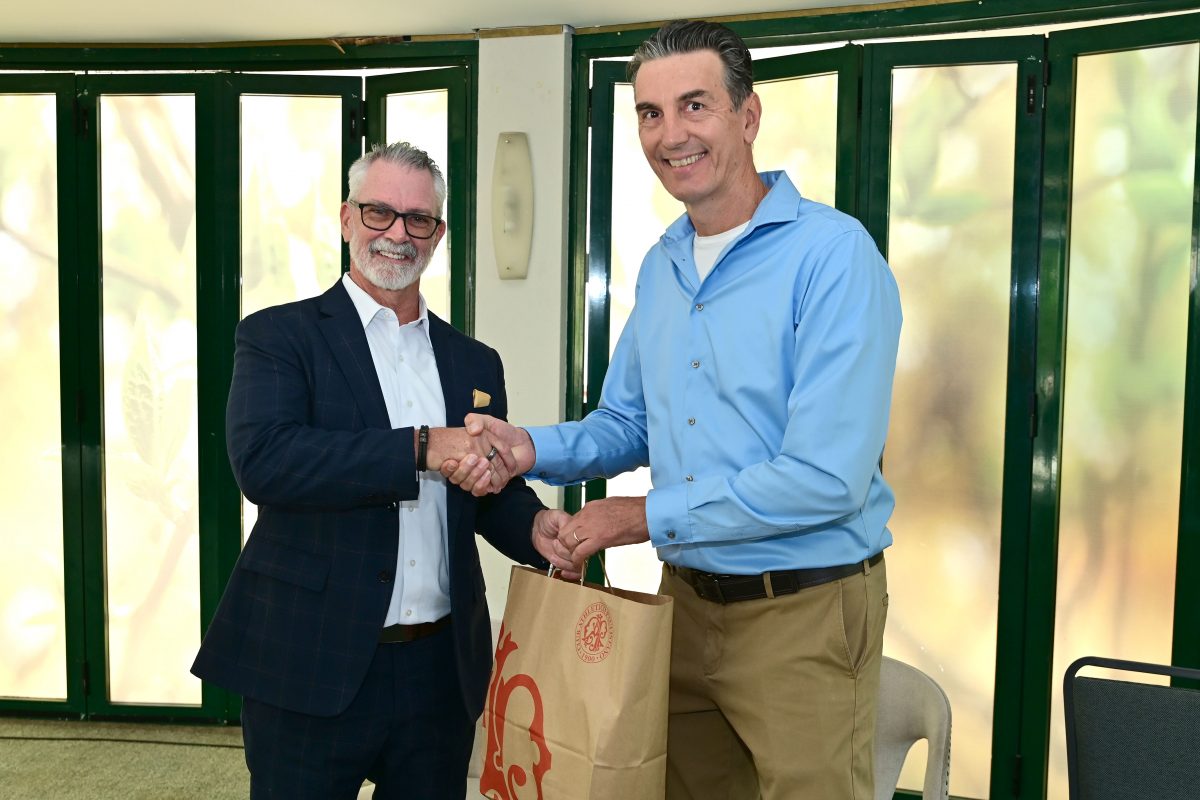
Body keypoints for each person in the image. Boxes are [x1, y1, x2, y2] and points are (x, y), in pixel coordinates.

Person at [446, 20, 902, 800]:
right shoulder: (663, 266)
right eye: (650, 114)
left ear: (747, 116)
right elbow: (628, 423)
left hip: (803, 609)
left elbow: (826, 478)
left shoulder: (833, 256)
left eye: (695, 106)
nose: (670, 135)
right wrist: (529, 447)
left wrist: (640, 517)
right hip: (683, 604)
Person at [191, 142, 576, 800]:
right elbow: (266, 463)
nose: (398, 233)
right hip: (310, 660)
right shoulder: (280, 337)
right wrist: (419, 447)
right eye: (379, 213)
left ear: (438, 234)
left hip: (438, 671)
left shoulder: (474, 362)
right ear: (347, 219)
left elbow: (484, 490)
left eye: (418, 219)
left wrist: (536, 527)